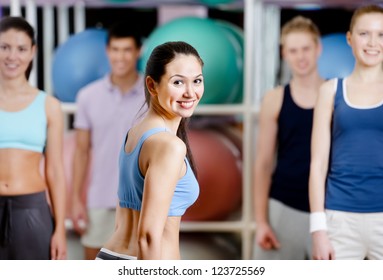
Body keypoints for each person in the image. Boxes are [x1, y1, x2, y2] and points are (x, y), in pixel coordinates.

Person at [95, 41, 203, 260]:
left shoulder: (135, 133)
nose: (190, 92)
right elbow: (148, 237)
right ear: (152, 86)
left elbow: (122, 219)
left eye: (197, 81)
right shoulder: (169, 146)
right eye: (178, 82)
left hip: (112, 255)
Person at [309, 4, 383, 260]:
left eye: (381, 34)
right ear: (350, 39)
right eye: (364, 34)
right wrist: (318, 229)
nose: (373, 42)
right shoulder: (329, 90)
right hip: (339, 219)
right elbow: (318, 164)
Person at [71, 22, 146, 260]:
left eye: (126, 50)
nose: (120, 57)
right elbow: (81, 152)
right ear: (107, 51)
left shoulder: (154, 94)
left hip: (143, 200)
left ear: (138, 51)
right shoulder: (87, 96)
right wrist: (75, 200)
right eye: (115, 49)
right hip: (99, 198)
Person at [252, 16, 324, 260]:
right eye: (293, 50)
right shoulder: (274, 99)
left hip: (329, 210)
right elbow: (262, 164)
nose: (300, 57)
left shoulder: (335, 94)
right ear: (284, 53)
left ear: (318, 48)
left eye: (306, 48)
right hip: (284, 206)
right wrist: (261, 221)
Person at [0, 16, 67, 260]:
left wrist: (60, 228)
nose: (12, 56)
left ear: (32, 52)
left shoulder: (49, 106)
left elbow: (56, 172)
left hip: (31, 213)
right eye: (4, 47)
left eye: (20, 49)